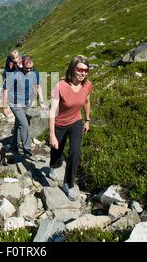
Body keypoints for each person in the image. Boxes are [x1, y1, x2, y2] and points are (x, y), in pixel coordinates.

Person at [48, 55, 93, 201]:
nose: (83, 73)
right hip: (59, 123)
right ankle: (54, 166)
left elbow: (86, 101)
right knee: (57, 150)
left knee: (76, 151)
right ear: (72, 69)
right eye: (80, 69)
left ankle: (68, 183)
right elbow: (52, 110)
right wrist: (52, 134)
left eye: (86, 71)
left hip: (76, 121)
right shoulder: (60, 86)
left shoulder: (87, 85)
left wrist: (87, 120)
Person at [3, 56, 46, 157]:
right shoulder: (15, 74)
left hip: (27, 103)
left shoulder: (35, 73)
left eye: (32, 68)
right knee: (24, 124)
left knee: (19, 124)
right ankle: (27, 148)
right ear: (22, 65)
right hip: (15, 103)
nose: (30, 70)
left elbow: (38, 86)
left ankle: (14, 147)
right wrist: (4, 107)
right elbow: (5, 90)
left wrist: (42, 101)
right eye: (27, 68)